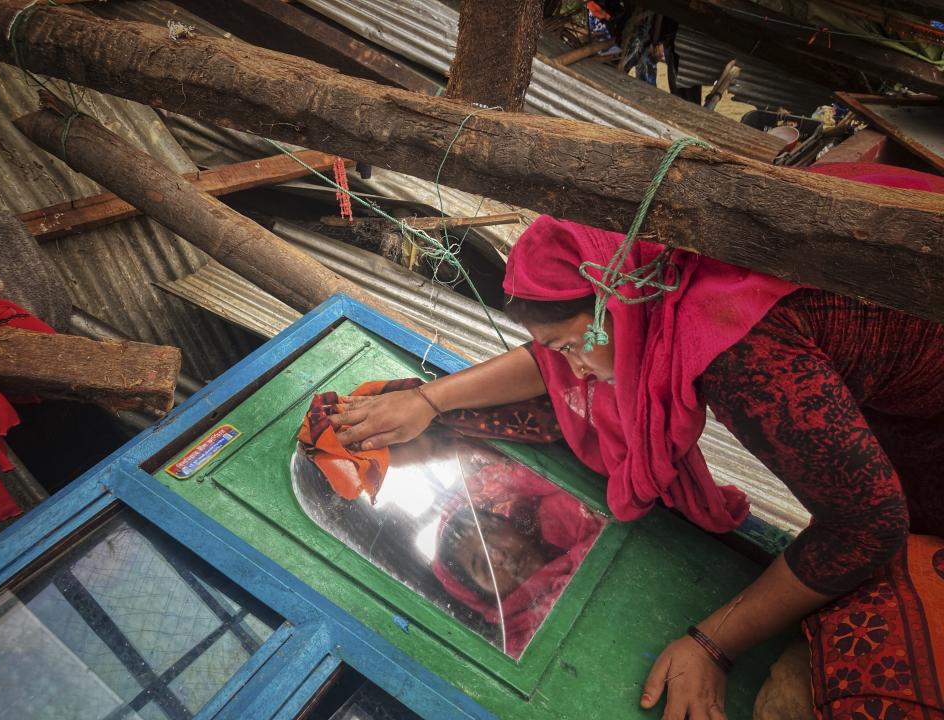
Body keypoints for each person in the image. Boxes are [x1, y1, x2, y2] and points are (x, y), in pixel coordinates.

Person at [328, 162, 944, 719]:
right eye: (559, 352)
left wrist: (713, 643)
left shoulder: (738, 356)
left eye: (573, 346)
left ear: (615, 306)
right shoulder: (666, 271)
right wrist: (431, 402)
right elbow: (548, 365)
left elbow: (867, 525)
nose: (574, 373)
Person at [432, 461, 603, 658]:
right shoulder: (525, 646)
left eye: (489, 533)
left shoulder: (563, 509)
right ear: (486, 597)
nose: (500, 556)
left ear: (506, 520)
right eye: (484, 567)